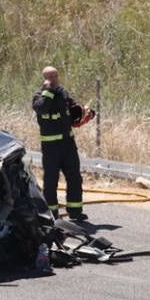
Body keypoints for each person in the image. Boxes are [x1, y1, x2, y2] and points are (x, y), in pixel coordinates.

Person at [31, 65, 92, 222]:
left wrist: (85, 113)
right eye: (50, 77)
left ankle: (75, 211)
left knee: (74, 178)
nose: (54, 80)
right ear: (44, 79)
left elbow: (72, 113)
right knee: (51, 181)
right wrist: (48, 91)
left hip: (68, 145)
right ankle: (51, 214)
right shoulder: (39, 96)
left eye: (55, 76)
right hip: (51, 147)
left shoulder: (63, 93)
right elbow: (42, 108)